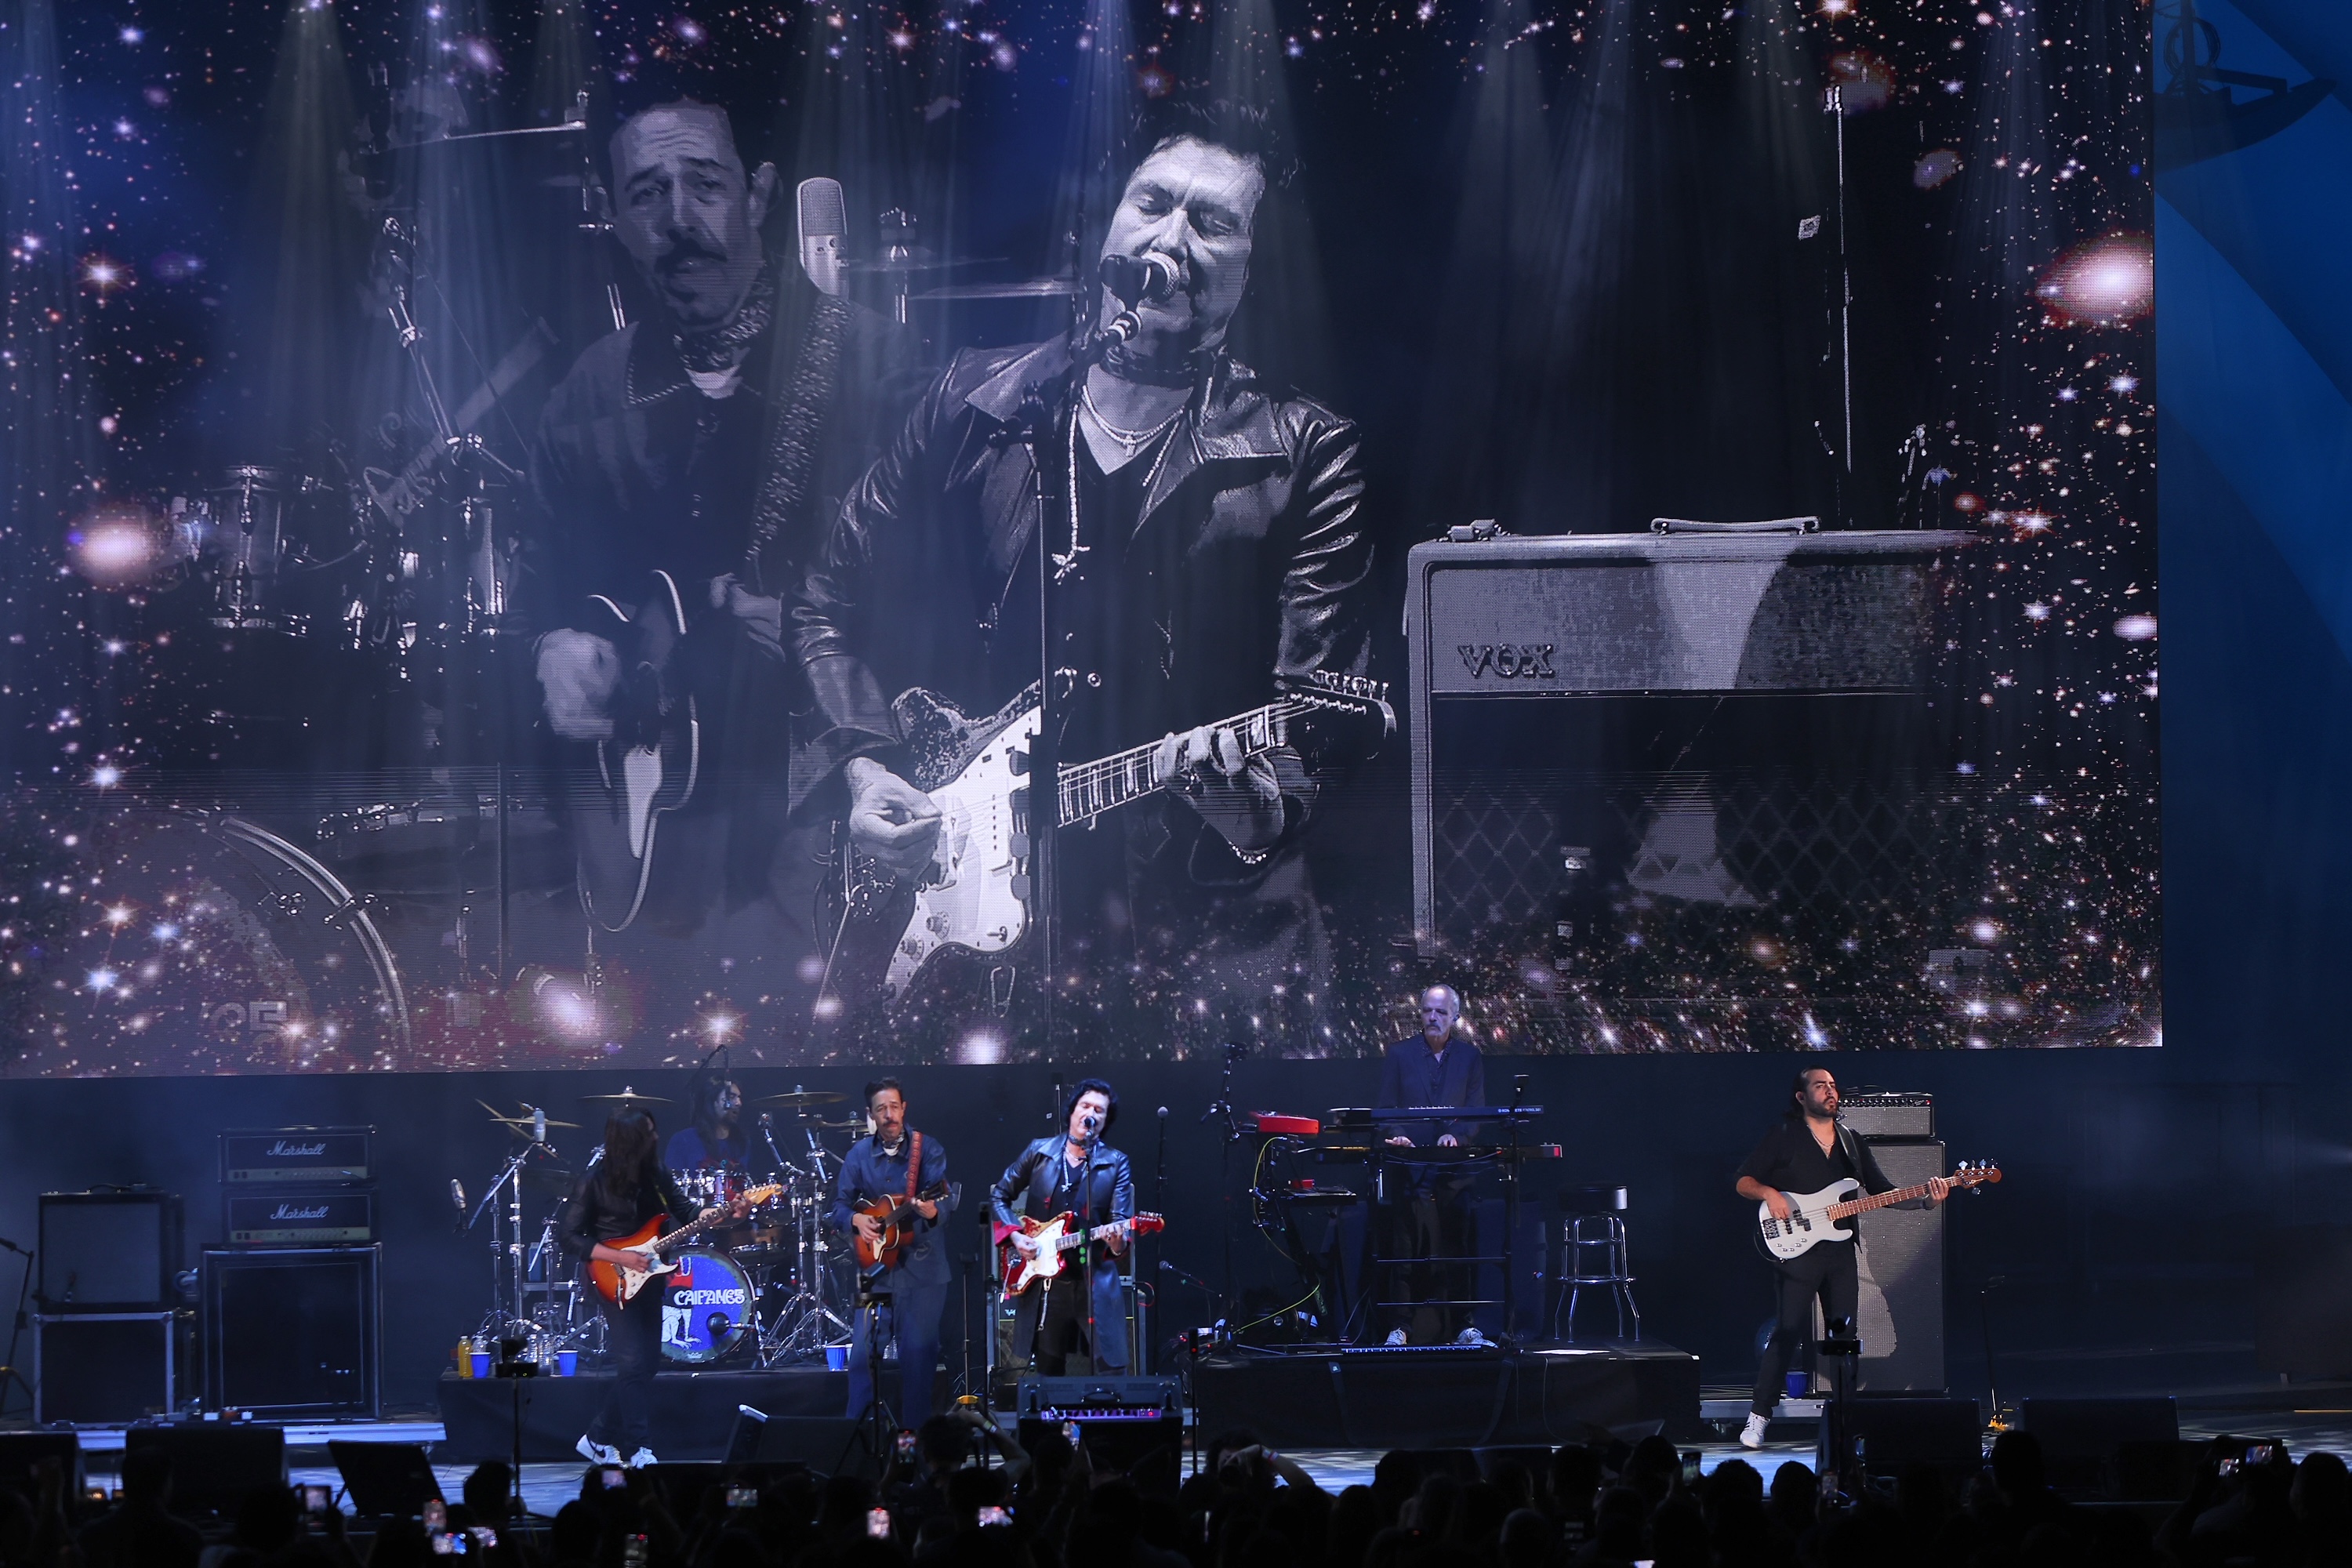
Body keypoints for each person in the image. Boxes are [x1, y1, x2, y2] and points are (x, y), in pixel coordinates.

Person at [788, 97, 1384, 1044]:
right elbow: (825, 597)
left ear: (1252, 269)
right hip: (974, 924)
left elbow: (1307, 733)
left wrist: (1240, 796)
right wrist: (862, 769)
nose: (1172, 237)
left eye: (1214, 222)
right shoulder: (977, 399)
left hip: (1202, 949)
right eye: (1153, 203)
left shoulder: (1306, 454)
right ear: (1108, 223)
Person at [529, 97, 917, 989]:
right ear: (617, 218)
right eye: (648, 194)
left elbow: (954, 603)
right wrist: (547, 646)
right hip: (648, 841)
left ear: (759, 194)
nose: (679, 219)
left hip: (821, 820)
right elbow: (541, 586)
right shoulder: (588, 392)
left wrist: (824, 633)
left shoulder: (874, 368)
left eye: (704, 185)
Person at [1734, 1067, 1947, 1450]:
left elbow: (1883, 1191)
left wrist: (1927, 1200)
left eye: (1833, 1086)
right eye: (1821, 1086)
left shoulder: (1851, 1141)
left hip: (1840, 1253)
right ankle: (1759, 1416)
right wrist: (1770, 1193)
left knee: (1843, 1338)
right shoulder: (1784, 1136)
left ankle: (1847, 1421)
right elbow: (1744, 1180)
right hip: (1796, 1252)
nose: (1831, 1091)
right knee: (1787, 1331)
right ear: (1801, 1097)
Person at [560, 1105, 750, 1466]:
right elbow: (568, 1237)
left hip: (651, 1276)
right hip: (612, 1278)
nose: (657, 1137)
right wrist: (622, 1258)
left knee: (646, 1366)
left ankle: (598, 1438)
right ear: (631, 1141)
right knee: (632, 1364)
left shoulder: (655, 1172)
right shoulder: (593, 1180)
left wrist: (722, 1213)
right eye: (649, 1133)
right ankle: (638, 1449)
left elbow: (687, 1210)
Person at [829, 1078, 955, 1428]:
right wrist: (856, 1220)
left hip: (923, 1273)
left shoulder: (927, 1150)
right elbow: (837, 1208)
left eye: (894, 1107)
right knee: (861, 1362)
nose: (889, 1115)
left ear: (904, 1109)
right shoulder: (857, 1156)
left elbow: (945, 1201)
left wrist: (933, 1211)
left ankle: (914, 1453)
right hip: (875, 1272)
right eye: (881, 1109)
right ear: (871, 1115)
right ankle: (858, 1445)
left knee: (917, 1362)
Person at [991, 1080, 1137, 1374]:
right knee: (1047, 1375)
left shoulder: (1116, 1163)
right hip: (1047, 1284)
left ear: (1105, 1121)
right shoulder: (1039, 1151)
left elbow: (1122, 1228)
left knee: (1111, 1372)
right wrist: (1016, 1236)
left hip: (1093, 1282)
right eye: (1085, 1106)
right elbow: (999, 1196)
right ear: (1072, 1111)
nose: (1089, 1114)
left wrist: (1116, 1241)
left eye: (1099, 1110)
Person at [1375, 985, 1489, 1347]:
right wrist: (1396, 1134)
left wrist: (1458, 1136)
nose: (1432, 1018)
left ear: (1455, 1016)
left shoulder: (1470, 1057)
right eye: (1427, 1011)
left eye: (1440, 1012)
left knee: (1458, 1248)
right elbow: (1386, 1110)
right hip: (1410, 1169)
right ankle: (1400, 1327)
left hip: (1454, 1172)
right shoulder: (1400, 1054)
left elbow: (1475, 1113)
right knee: (1404, 1250)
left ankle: (1463, 1325)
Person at [665, 1074, 750, 1171]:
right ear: (712, 1101)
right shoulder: (683, 1140)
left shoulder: (741, 1141)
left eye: (739, 1097)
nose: (738, 1103)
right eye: (731, 1097)